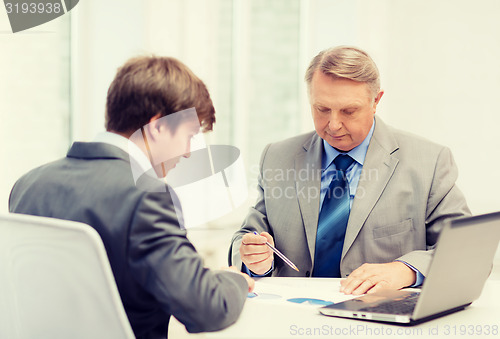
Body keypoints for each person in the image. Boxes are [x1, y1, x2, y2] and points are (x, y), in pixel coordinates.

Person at [9, 56, 254, 339]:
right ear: (158, 126)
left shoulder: (28, 185)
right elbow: (208, 309)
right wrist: (233, 279)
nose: (188, 152)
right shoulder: (146, 198)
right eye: (189, 136)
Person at [229, 46, 470, 295]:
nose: (333, 125)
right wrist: (254, 260)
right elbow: (247, 236)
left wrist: (406, 270)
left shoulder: (429, 161)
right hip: (292, 317)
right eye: (321, 109)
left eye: (349, 111)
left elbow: (465, 250)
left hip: (380, 322)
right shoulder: (277, 157)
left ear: (376, 101)